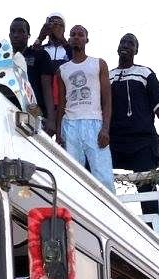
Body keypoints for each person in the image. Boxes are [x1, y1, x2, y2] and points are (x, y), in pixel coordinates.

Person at [108, 33, 159, 215]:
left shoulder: (145, 73)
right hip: (114, 140)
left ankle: (152, 228)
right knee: (99, 174)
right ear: (117, 47)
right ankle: (106, 215)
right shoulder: (109, 76)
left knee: (145, 185)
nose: (126, 45)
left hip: (142, 141)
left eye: (130, 43)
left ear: (136, 50)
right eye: (123, 41)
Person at [55, 25, 114, 192]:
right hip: (70, 125)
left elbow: (107, 99)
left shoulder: (98, 64)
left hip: (94, 123)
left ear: (87, 39)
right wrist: (59, 132)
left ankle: (108, 214)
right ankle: (74, 215)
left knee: (103, 175)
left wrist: (105, 129)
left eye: (81, 34)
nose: (76, 37)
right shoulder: (63, 70)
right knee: (73, 175)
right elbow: (61, 103)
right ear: (69, 39)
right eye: (73, 34)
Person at [9, 17, 57, 135]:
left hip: (34, 113)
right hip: (9, 111)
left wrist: (51, 119)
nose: (16, 35)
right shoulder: (4, 59)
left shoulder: (39, 54)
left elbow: (47, 89)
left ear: (28, 35)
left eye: (21, 31)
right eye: (13, 31)